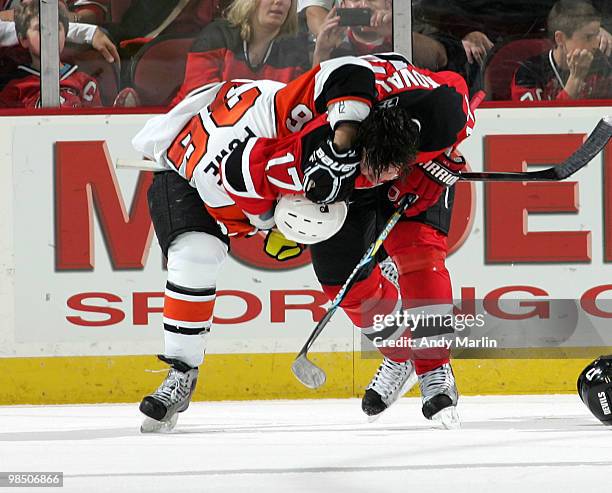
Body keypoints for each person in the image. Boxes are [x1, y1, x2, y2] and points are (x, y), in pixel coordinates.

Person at [132, 54, 380, 432]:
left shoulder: (295, 124)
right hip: (180, 164)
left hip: (250, 153)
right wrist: (266, 226)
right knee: (196, 253)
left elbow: (344, 72)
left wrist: (346, 131)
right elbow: (244, 212)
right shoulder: (225, 183)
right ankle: (181, 372)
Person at [229, 53, 475, 428]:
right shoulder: (315, 147)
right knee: (339, 280)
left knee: (419, 256)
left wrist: (442, 162)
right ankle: (400, 352)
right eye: (376, 170)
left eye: (389, 170)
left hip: (416, 163)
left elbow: (458, 90)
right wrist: (268, 223)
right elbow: (243, 170)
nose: (382, 177)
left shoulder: (440, 113)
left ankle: (434, 369)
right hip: (344, 180)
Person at [170, 0, 310, 105]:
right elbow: (199, 104)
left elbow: (297, 107)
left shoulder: (294, 52)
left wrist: (321, 55)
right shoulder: (217, 36)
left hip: (255, 137)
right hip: (191, 133)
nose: (278, 1)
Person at [0, 0, 102, 108]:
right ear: (24, 39)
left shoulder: (85, 83)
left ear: (65, 35)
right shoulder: (15, 88)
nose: (49, 34)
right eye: (40, 28)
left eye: (56, 27)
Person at [511, 0, 611, 101]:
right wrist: (575, 79)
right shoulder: (528, 74)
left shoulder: (603, 68)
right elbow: (538, 116)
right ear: (560, 39)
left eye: (597, 35)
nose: (595, 44)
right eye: (588, 37)